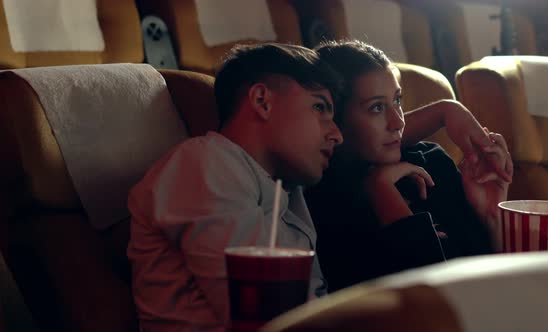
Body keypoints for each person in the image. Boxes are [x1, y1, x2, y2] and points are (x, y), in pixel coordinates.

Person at [127, 43, 344, 331]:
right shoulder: (207, 163)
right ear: (262, 101)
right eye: (319, 107)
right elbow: (270, 318)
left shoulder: (284, 185)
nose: (337, 134)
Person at [305, 40, 513, 292]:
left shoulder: (430, 161)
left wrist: (491, 217)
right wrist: (381, 189)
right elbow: (431, 300)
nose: (398, 122)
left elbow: (495, 287)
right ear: (335, 119)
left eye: (398, 101)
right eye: (377, 108)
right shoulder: (323, 197)